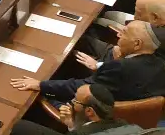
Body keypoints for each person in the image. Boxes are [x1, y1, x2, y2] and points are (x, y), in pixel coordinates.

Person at [12, 21, 165, 102]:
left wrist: (40, 84)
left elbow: (80, 87)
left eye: (124, 34)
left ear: (137, 44)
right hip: (132, 110)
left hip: (101, 110)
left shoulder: (120, 66)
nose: (118, 35)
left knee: (41, 97)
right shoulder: (160, 64)